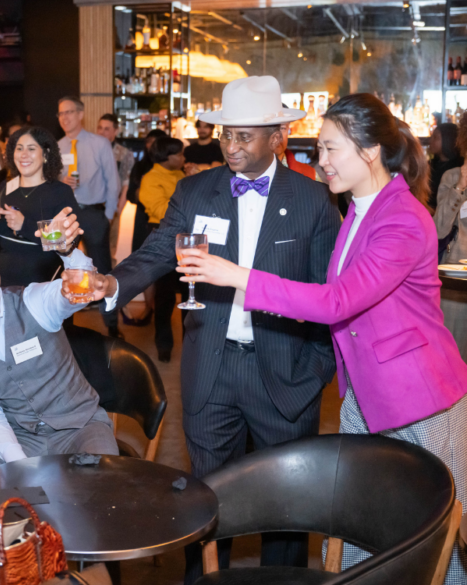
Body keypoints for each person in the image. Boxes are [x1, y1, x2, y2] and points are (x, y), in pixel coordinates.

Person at [183, 92, 467, 583]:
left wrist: (238, 276)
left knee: (430, 535)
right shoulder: (359, 208)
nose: (321, 161)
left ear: (370, 150)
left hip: (418, 396)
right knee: (362, 527)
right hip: (365, 393)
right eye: (319, 149)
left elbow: (337, 301)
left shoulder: (400, 216)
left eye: (332, 149)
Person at [78, 77, 341, 581]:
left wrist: (315, 370)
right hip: (212, 371)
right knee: (206, 500)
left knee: (285, 510)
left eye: (244, 136)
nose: (232, 146)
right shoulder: (196, 189)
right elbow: (158, 253)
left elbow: (327, 292)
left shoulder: (313, 200)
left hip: (285, 375)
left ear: (277, 137)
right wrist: (112, 283)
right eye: (226, 136)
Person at [0, 236, 118, 508]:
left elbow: (78, 290)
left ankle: (72, 539)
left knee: (101, 483)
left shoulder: (33, 300)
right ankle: (21, 541)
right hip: (22, 435)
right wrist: (20, 464)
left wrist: (69, 252)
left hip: (80, 425)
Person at [0, 127, 80, 287]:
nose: (23, 154)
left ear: (45, 155)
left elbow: (68, 244)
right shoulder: (5, 187)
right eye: (19, 149)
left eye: (31, 149)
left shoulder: (60, 192)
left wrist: (24, 225)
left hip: (45, 286)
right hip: (4, 284)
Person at [57, 96, 122, 337]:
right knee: (65, 267)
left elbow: (112, 182)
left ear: (81, 114)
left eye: (69, 112)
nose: (65, 118)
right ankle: (65, 325)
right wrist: (60, 182)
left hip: (94, 212)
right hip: (67, 215)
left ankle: (112, 325)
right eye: (61, 114)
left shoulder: (99, 143)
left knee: (102, 268)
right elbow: (49, 183)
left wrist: (107, 215)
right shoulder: (57, 146)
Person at [139, 136, 186, 363]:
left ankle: (191, 344)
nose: (183, 157)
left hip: (186, 239)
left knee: (190, 294)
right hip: (164, 239)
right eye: (179, 153)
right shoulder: (150, 178)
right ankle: (164, 345)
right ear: (167, 157)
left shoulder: (181, 174)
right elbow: (160, 210)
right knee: (165, 296)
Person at [121, 129, 167, 326]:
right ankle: (149, 308)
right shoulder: (141, 167)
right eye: (148, 142)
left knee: (165, 270)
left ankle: (159, 311)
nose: (151, 146)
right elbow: (131, 195)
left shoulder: (173, 166)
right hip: (143, 220)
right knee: (146, 264)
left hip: (166, 221)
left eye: (156, 142)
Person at [434, 117, 467, 363]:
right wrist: (460, 187)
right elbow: (438, 229)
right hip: (458, 281)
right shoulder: (451, 177)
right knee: (454, 360)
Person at [97, 113, 135, 264]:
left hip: (112, 204)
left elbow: (126, 181)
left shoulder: (124, 153)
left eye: (107, 129)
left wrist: (119, 207)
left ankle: (107, 283)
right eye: (100, 128)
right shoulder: (91, 149)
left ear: (115, 131)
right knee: (89, 247)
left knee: (110, 247)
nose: (102, 132)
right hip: (91, 205)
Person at [429, 122, 462, 210]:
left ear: (448, 140)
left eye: (435, 137)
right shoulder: (430, 165)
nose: (431, 140)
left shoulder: (458, 169)